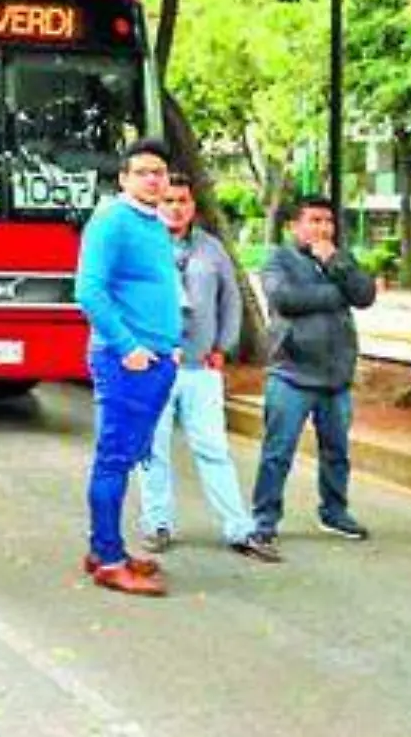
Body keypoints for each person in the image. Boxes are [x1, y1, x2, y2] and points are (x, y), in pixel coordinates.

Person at [136, 175, 279, 563]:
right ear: (156, 204)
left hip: (201, 368)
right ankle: (157, 522)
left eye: (183, 200)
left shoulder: (211, 249)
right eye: (168, 200)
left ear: (193, 206)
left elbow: (231, 301)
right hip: (156, 365)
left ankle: (239, 528)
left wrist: (223, 347)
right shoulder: (142, 246)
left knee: (214, 448)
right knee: (153, 450)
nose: (176, 207)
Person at [72, 139, 182, 597]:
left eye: (160, 172)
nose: (154, 180)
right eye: (143, 172)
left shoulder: (153, 222)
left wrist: (171, 347)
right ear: (124, 178)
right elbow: (88, 291)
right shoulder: (112, 220)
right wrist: (128, 348)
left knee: (131, 453)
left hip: (157, 359)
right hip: (126, 362)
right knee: (115, 458)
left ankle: (105, 547)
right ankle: (110, 562)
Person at [250, 195, 378, 548]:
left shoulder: (340, 259)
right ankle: (264, 518)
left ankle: (335, 512)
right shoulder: (279, 260)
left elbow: (364, 294)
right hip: (291, 372)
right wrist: (338, 293)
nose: (322, 228)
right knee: (278, 451)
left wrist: (335, 263)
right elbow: (286, 299)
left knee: (336, 451)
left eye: (327, 221)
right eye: (314, 221)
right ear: (294, 226)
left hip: (336, 375)